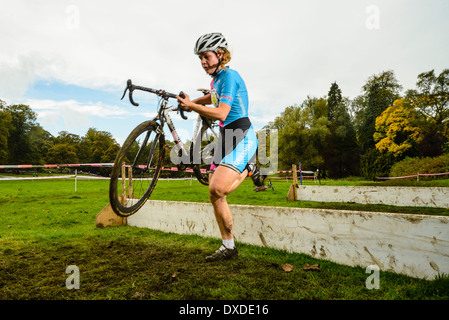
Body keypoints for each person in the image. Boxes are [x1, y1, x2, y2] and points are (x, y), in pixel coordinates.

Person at [177, 32, 258, 262]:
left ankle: (250, 166)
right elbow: (212, 97)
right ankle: (228, 246)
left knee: (219, 188)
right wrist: (189, 101)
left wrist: (191, 106)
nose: (202, 62)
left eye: (206, 56)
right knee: (214, 193)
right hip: (225, 136)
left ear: (220, 54)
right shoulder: (216, 80)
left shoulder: (230, 77)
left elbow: (221, 112)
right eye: (200, 58)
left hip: (241, 133)